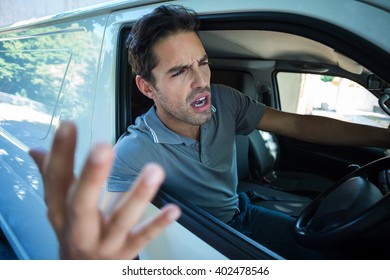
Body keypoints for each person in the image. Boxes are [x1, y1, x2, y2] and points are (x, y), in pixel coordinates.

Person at [105, 4, 390, 259]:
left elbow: (298, 124)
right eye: (179, 72)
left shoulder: (225, 101)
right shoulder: (132, 152)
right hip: (208, 239)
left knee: (329, 253)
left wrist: (385, 137)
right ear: (147, 87)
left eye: (202, 63)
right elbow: (118, 246)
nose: (201, 81)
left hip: (242, 210)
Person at [29, 121, 181, 259]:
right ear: (147, 89)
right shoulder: (132, 150)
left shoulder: (204, 120)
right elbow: (112, 233)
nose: (202, 87)